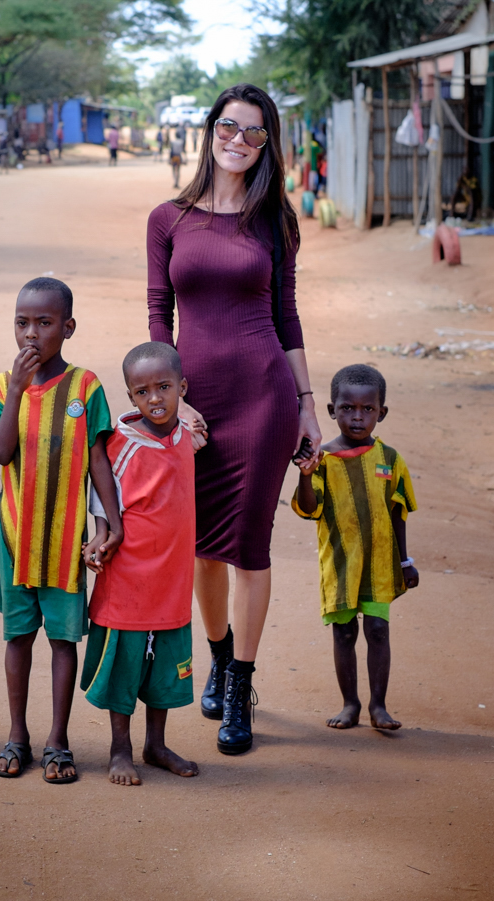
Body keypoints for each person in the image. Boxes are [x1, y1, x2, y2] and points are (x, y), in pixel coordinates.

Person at [147, 83, 321, 756]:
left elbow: (288, 316)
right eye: (229, 126)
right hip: (194, 400)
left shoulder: (275, 220)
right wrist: (170, 398)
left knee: (249, 546)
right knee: (199, 546)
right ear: (209, 130)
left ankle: (240, 686)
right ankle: (217, 655)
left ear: (268, 144)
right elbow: (160, 313)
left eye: (255, 133)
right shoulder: (169, 218)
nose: (239, 141)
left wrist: (308, 406)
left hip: (265, 395)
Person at [0, 277, 124, 783]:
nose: (31, 334)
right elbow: (0, 453)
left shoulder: (86, 387)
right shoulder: (1, 387)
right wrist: (17, 389)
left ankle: (58, 739)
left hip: (66, 542)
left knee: (64, 640)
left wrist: (114, 521)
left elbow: (99, 456)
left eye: (44, 323)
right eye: (22, 323)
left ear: (68, 327)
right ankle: (17, 735)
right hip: (16, 540)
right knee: (18, 637)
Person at [81, 341, 204, 786]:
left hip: (172, 576)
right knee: (125, 664)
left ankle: (155, 743)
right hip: (129, 575)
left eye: (165, 387)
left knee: (165, 665)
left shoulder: (186, 436)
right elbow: (101, 489)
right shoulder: (122, 441)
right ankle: (120, 749)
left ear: (182, 389)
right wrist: (99, 533)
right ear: (130, 396)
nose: (155, 398)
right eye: (142, 391)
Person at [292, 364, 419, 731]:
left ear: (382, 412)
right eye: (348, 408)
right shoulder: (322, 460)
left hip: (380, 563)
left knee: (378, 630)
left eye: (367, 409)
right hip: (340, 564)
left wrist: (405, 561)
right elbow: (309, 508)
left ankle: (379, 706)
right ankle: (350, 704)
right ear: (332, 411)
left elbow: (398, 514)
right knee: (344, 633)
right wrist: (304, 474)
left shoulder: (390, 460)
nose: (358, 417)